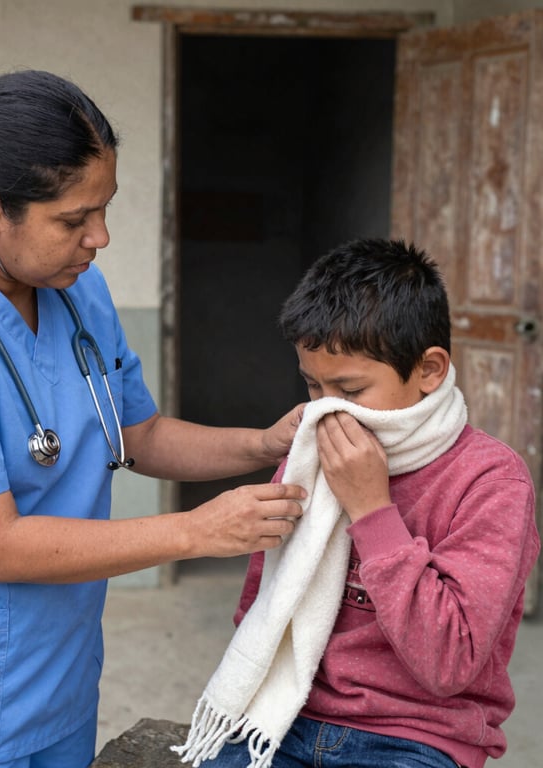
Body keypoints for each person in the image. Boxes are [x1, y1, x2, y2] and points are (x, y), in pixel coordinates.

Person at [0, 69, 308, 768]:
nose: (99, 237)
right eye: (74, 220)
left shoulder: (78, 292)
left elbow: (137, 434)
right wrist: (197, 530)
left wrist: (266, 443)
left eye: (104, 210)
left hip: (55, 686)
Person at [173, 239, 540, 768]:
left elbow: (450, 661)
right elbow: (263, 599)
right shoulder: (310, 454)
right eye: (312, 385)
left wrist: (372, 510)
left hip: (418, 736)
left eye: (350, 390)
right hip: (286, 715)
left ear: (429, 370)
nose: (327, 410)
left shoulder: (490, 480)